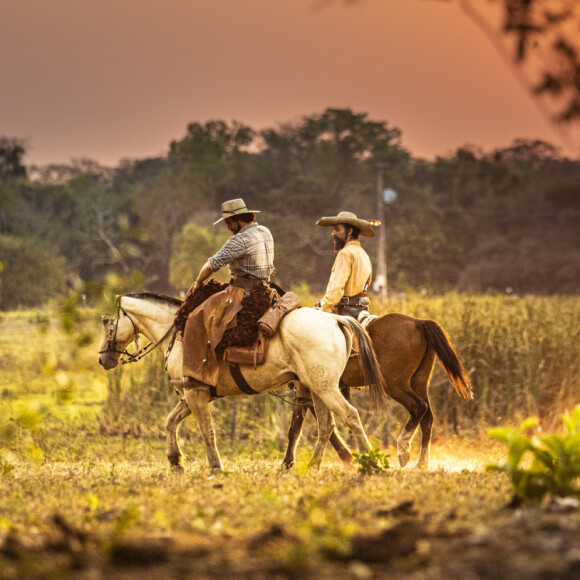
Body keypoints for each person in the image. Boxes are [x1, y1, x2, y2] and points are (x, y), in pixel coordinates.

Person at [176, 198, 274, 388]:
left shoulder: (239, 240)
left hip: (243, 292)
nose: (228, 227)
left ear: (239, 219)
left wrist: (197, 283)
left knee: (196, 317)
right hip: (264, 289)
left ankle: (199, 375)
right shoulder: (265, 231)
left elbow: (211, 264)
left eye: (229, 222)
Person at [315, 211, 377, 320]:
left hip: (346, 312)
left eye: (337, 229)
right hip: (362, 310)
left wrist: (322, 308)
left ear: (349, 231)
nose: (333, 233)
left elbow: (335, 290)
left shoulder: (345, 253)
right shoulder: (364, 254)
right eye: (333, 229)